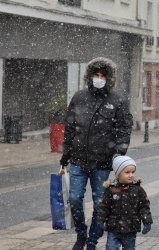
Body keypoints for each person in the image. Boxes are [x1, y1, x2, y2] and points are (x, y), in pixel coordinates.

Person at [60, 57, 133, 250]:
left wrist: (118, 153)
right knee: (75, 198)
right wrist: (65, 155)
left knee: (100, 203)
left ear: (109, 78)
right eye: (96, 75)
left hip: (102, 162)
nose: (99, 79)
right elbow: (69, 127)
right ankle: (81, 235)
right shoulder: (79, 97)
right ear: (90, 76)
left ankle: (92, 241)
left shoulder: (117, 99)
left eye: (102, 76)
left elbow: (125, 128)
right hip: (78, 159)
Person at [98, 155, 153, 250]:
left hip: (130, 228)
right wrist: (100, 220)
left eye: (133, 172)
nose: (131, 175)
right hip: (114, 228)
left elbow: (144, 207)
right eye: (127, 172)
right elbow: (104, 207)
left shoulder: (138, 189)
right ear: (118, 174)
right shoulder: (111, 189)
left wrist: (147, 221)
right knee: (111, 248)